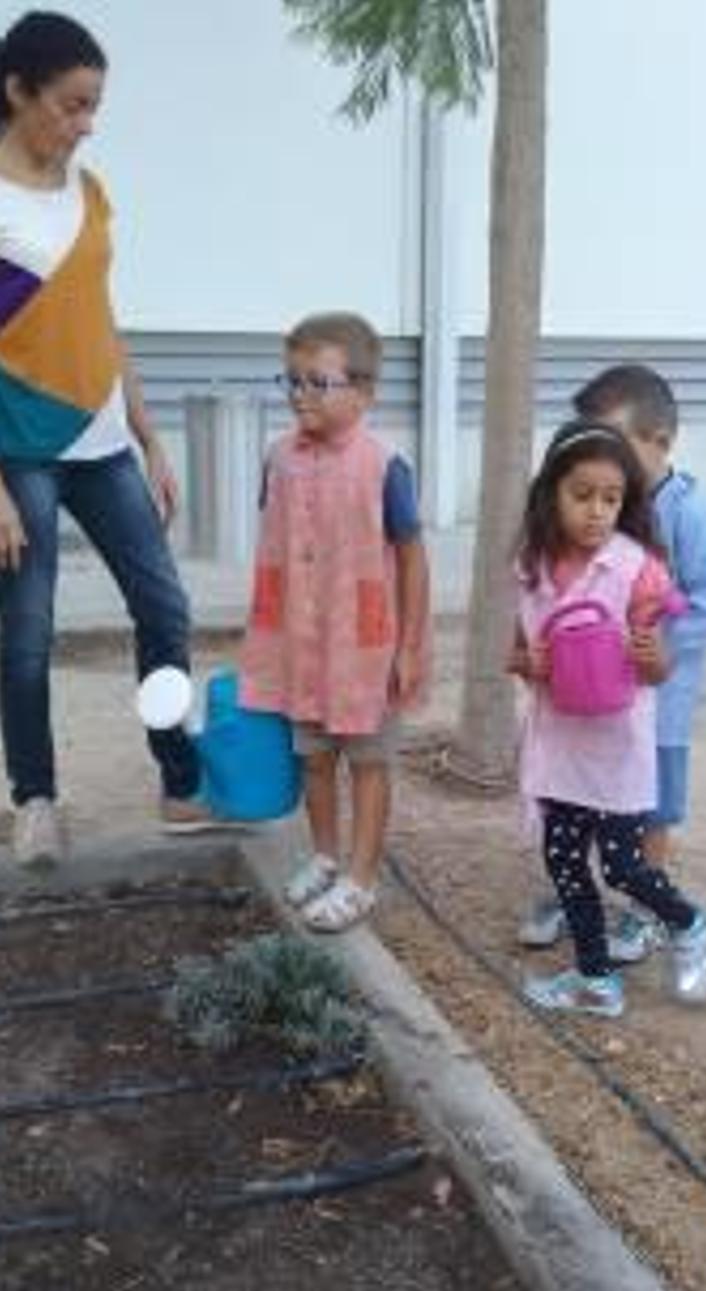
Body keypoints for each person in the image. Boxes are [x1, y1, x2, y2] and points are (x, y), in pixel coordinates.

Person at [0, 10, 210, 870]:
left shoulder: (87, 192)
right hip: (16, 449)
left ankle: (178, 775)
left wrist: (150, 435)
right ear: (17, 92)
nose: (86, 123)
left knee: (165, 607)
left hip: (102, 437)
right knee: (25, 633)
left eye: (94, 106)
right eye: (73, 104)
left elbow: (100, 318)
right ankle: (37, 801)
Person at [519, 363, 706, 958]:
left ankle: (644, 912)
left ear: (659, 442)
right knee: (581, 794)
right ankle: (572, 896)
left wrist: (654, 645)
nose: (599, 456)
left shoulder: (689, 513)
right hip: (585, 701)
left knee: (651, 808)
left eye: (613, 441)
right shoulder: (586, 512)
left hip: (659, 705)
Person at [239, 311, 430, 933]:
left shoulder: (383, 465)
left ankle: (362, 878)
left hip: (364, 648)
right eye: (292, 381)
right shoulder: (279, 460)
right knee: (314, 757)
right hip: (302, 644)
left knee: (367, 761)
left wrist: (409, 646)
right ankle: (324, 855)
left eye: (318, 382)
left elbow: (411, 555)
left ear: (365, 392)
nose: (300, 395)